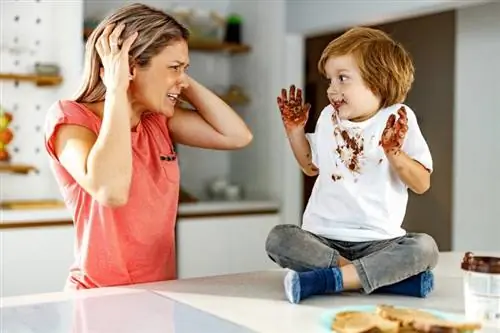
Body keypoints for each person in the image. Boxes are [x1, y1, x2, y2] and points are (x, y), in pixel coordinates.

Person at [44, 3, 252, 290]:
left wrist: (179, 80)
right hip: (97, 297)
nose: (183, 79)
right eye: (175, 67)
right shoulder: (71, 119)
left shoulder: (157, 121)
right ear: (130, 67)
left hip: (159, 293)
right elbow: (111, 191)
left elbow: (237, 136)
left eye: (185, 68)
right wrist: (117, 88)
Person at [265, 27, 439, 304]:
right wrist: (295, 131)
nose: (332, 89)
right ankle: (375, 280)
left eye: (342, 78)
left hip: (380, 242)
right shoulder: (327, 117)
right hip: (323, 239)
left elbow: (421, 183)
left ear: (378, 81)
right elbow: (311, 166)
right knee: (279, 238)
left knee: (424, 248)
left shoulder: (398, 117)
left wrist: (394, 153)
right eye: (330, 80)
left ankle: (330, 279)